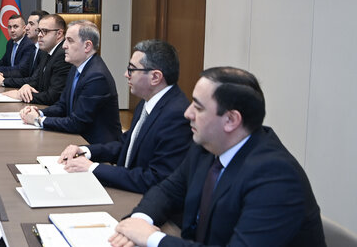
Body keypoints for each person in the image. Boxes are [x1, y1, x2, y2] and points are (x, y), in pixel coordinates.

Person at [110, 67, 325, 247]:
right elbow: (168, 190)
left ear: (231, 120)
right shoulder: (207, 147)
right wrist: (139, 221)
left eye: (198, 107)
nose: (187, 113)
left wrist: (152, 238)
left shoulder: (276, 177)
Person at [58, 39, 192, 193]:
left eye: (131, 69)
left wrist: (93, 168)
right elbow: (126, 145)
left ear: (155, 77)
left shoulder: (176, 116)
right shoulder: (147, 102)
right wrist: (86, 151)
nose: (126, 75)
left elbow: (155, 178)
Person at [19, 20, 120, 143]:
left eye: (70, 41)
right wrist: (38, 112)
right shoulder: (75, 68)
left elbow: (77, 123)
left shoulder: (97, 77)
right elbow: (62, 106)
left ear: (87, 46)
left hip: (94, 145)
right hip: (76, 139)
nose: (64, 46)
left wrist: (39, 120)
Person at [0, 14, 72, 105]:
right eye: (39, 31)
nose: (40, 35)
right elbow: (37, 81)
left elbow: (52, 97)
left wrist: (20, 95)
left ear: (59, 34)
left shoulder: (63, 56)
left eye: (45, 31)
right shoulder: (46, 52)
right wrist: (27, 86)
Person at [0, 10, 49, 84]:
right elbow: (4, 61)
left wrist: (3, 80)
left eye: (31, 24)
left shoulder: (33, 47)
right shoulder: (11, 43)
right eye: (9, 27)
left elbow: (22, 72)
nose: (27, 28)